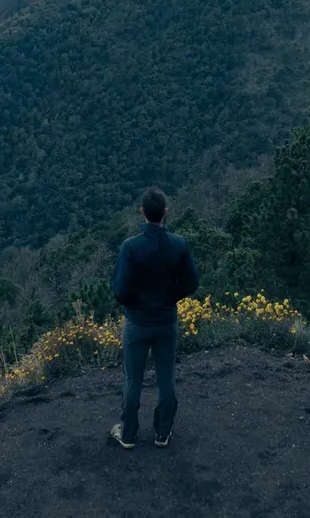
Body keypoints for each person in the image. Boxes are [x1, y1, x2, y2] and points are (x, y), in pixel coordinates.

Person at [109, 186, 199, 450]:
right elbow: (192, 282)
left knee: (133, 378)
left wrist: (136, 304)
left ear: (142, 213)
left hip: (137, 323)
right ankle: (162, 433)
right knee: (166, 377)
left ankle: (128, 434)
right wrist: (171, 297)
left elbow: (120, 290)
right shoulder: (179, 245)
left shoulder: (130, 247)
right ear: (165, 213)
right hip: (166, 321)